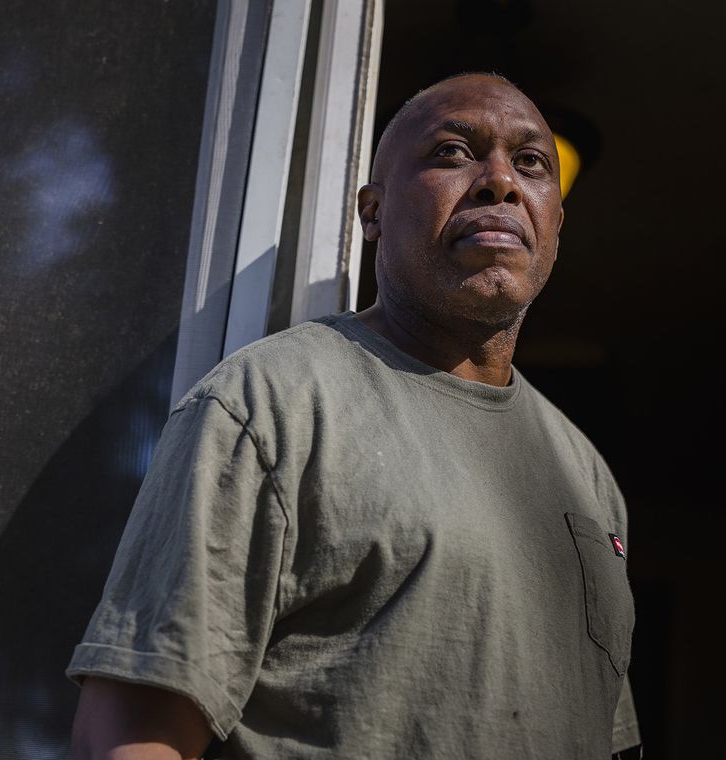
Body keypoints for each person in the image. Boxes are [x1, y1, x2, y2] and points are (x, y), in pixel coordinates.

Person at [68, 72, 640, 760]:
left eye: (531, 163)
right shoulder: (271, 402)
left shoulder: (587, 476)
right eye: (453, 153)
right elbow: (133, 736)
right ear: (371, 212)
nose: (500, 183)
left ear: (555, 225)